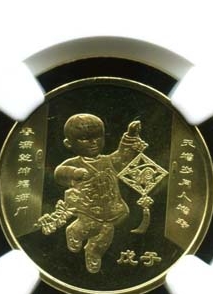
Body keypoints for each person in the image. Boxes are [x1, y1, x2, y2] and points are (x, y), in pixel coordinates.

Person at [54, 114, 146, 273]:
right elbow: (59, 174)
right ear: (68, 143)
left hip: (111, 207)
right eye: (84, 139)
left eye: (97, 137)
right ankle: (74, 232)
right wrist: (74, 173)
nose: (93, 142)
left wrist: (131, 135)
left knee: (107, 232)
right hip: (87, 209)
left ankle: (94, 251)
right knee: (92, 225)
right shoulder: (73, 163)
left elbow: (123, 156)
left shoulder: (108, 160)